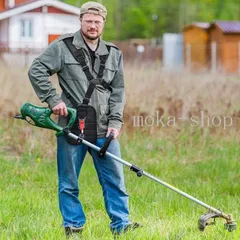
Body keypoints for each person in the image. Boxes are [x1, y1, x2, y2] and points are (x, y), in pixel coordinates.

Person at [28, 1, 141, 237]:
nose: (92, 26)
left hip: (104, 129)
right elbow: (36, 69)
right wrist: (52, 100)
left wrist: (115, 123)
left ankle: (121, 225)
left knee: (115, 180)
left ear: (103, 24)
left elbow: (118, 91)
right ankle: (73, 226)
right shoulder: (62, 47)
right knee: (68, 182)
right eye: (88, 21)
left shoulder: (113, 53)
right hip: (71, 126)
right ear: (80, 21)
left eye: (97, 22)